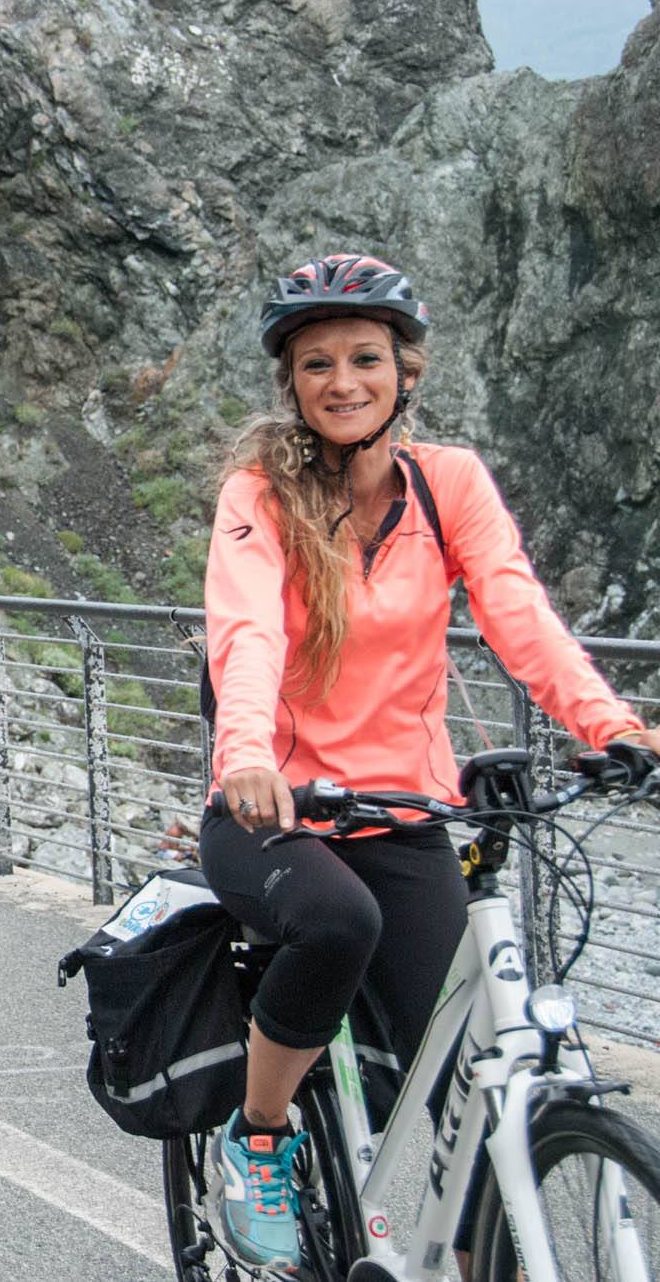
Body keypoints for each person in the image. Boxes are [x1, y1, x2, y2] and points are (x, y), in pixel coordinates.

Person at [199, 254, 660, 1274]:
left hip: (401, 809)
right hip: (274, 808)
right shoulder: (258, 492)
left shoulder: (448, 484)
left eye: (363, 357)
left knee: (461, 1073)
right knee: (334, 921)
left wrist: (610, 725)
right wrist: (242, 755)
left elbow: (516, 614)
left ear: (404, 370)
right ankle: (261, 1134)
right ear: (291, 382)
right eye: (314, 363)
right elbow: (244, 635)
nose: (340, 380)